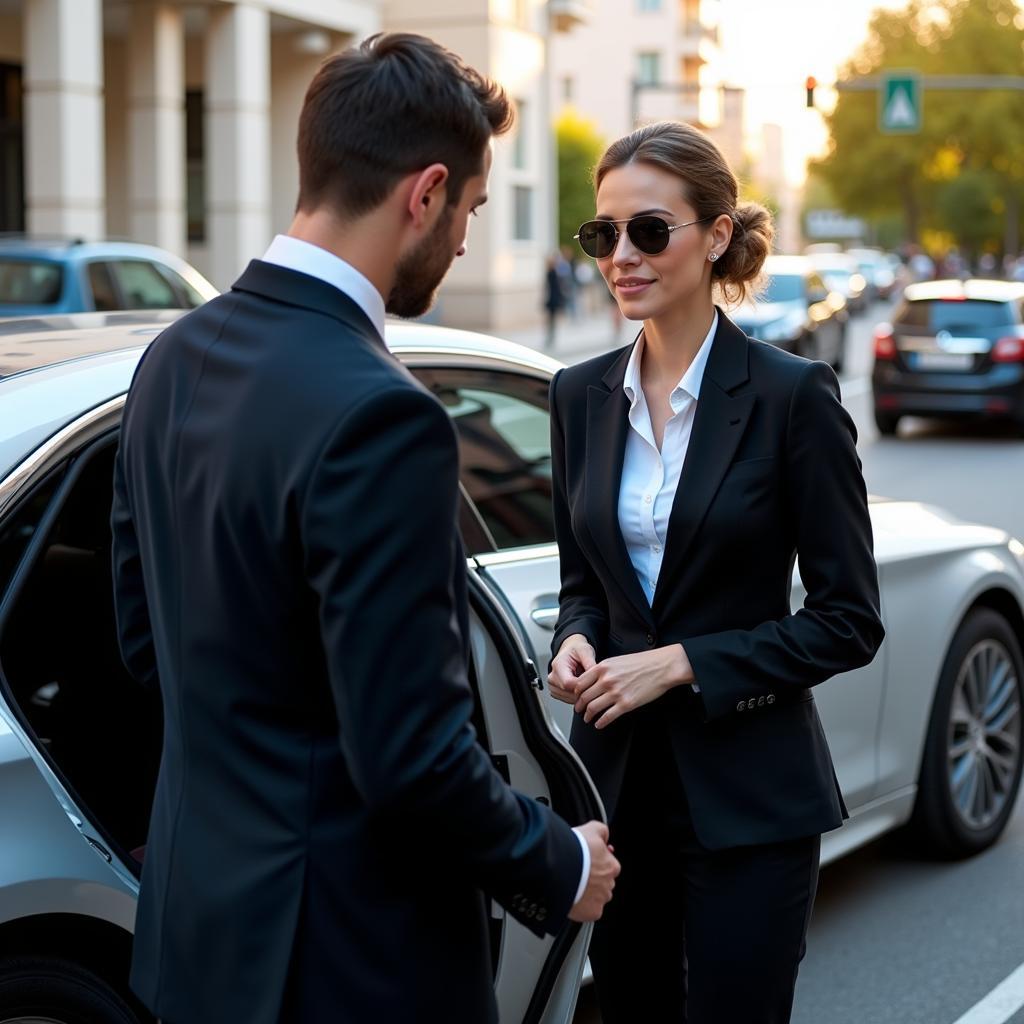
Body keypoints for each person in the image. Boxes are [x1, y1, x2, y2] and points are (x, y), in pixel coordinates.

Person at [111, 33, 618, 1024]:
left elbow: (143, 646)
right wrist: (557, 858)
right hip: (342, 971)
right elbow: (410, 756)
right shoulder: (382, 415)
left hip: (195, 941)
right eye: (470, 208)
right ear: (424, 195)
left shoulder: (168, 358)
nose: (467, 237)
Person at [548, 120, 885, 1024]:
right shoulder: (577, 394)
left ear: (717, 235)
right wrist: (576, 636)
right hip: (618, 792)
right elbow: (586, 578)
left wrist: (685, 661)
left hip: (752, 798)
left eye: (649, 231)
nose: (621, 255)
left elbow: (849, 619)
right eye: (602, 234)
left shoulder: (791, 397)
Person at [543, 252, 566, 349]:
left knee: (551, 320)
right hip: (553, 299)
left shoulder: (549, 272)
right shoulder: (552, 273)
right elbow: (556, 287)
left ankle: (550, 337)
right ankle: (550, 337)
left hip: (551, 299)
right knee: (552, 320)